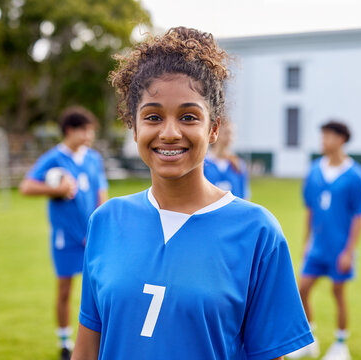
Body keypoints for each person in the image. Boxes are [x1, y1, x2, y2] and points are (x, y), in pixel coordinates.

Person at [72, 27, 313, 360]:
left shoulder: (258, 232)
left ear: (213, 128)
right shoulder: (106, 221)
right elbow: (86, 350)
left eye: (188, 117)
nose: (169, 133)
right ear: (134, 126)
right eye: (153, 116)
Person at [19, 106, 108, 360]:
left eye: (91, 131)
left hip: (91, 237)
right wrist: (56, 190)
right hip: (65, 238)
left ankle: (99, 341)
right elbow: (26, 187)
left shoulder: (93, 158)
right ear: (70, 130)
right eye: (85, 130)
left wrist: (101, 227)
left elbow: (101, 193)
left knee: (100, 290)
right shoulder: (53, 158)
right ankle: (65, 342)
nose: (89, 136)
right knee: (65, 290)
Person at [288, 121, 361, 360]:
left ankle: (341, 345)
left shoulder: (355, 175)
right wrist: (306, 242)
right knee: (301, 289)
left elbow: (359, 214)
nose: (323, 141)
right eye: (322, 136)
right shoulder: (314, 170)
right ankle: (308, 340)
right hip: (317, 247)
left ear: (341, 139)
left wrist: (349, 251)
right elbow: (310, 210)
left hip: (339, 248)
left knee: (338, 292)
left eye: (328, 137)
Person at [204, 120, 250, 199]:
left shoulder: (238, 164)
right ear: (215, 133)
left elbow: (244, 197)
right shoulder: (203, 164)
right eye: (226, 133)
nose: (230, 137)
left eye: (232, 134)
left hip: (234, 210)